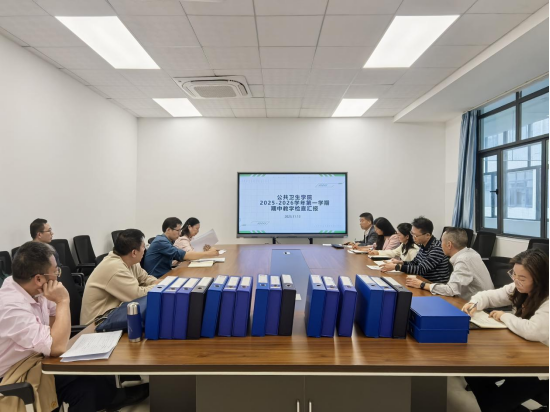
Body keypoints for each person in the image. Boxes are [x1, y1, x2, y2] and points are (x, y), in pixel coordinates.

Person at [0, 242, 118, 411]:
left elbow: (56, 330)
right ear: (38, 279)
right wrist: (63, 300)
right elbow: (57, 346)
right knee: (88, 383)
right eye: (55, 271)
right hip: (13, 375)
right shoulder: (11, 307)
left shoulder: (35, 289)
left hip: (37, 359)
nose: (58, 276)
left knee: (94, 381)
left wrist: (55, 335)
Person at [463, 249, 549, 412]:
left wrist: (504, 316)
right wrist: (474, 303)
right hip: (519, 355)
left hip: (540, 366)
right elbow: (489, 296)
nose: (516, 280)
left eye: (522, 278)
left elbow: (533, 331)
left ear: (539, 279)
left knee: (494, 406)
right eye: (514, 274)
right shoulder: (519, 288)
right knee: (474, 374)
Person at [80, 229, 161, 325]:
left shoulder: (131, 262)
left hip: (114, 315)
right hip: (96, 324)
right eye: (143, 246)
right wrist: (159, 286)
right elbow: (136, 296)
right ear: (134, 252)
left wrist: (155, 282)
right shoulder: (115, 268)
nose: (145, 250)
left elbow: (145, 278)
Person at [406, 228, 494, 301]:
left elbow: (451, 290)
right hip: (485, 299)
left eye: (441, 242)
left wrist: (422, 284)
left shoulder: (463, 261)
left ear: (449, 245)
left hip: (479, 306)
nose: (440, 245)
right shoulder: (471, 252)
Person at [381, 217, 450, 284]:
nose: (413, 237)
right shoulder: (423, 245)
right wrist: (401, 263)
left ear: (427, 235)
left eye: (416, 235)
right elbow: (415, 262)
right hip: (421, 282)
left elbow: (421, 269)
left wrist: (397, 267)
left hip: (433, 285)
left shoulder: (437, 248)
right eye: (412, 234)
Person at [143, 217, 220, 278]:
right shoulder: (161, 241)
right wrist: (208, 253)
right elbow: (183, 255)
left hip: (165, 273)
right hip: (157, 277)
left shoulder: (168, 241)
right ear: (168, 230)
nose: (180, 233)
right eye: (178, 230)